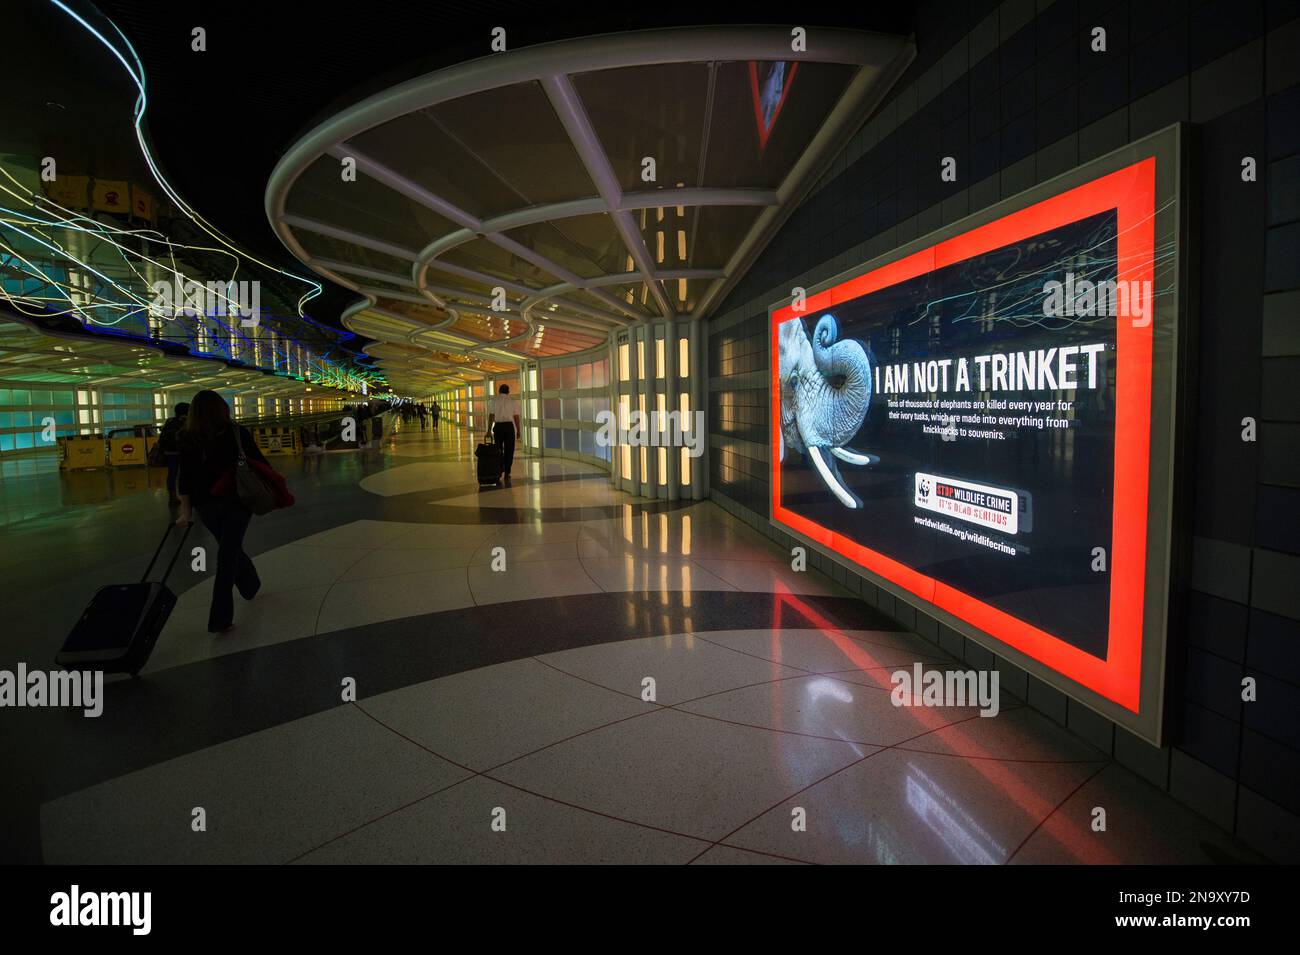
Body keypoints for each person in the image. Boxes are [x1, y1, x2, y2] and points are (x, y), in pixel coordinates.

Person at [174, 390, 265, 634]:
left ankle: (250, 585)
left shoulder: (187, 437)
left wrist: (186, 512)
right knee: (228, 553)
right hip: (237, 501)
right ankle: (220, 618)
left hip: (207, 506)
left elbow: (185, 479)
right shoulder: (237, 433)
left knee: (229, 549)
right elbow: (260, 463)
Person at [486, 384, 520, 485]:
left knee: (498, 449)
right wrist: (518, 430)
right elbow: (516, 417)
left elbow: (491, 415)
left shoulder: (494, 400)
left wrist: (488, 430)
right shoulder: (512, 401)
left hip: (499, 427)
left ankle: (499, 470)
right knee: (509, 450)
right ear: (508, 391)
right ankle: (507, 472)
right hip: (509, 427)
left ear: (499, 391)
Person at [158, 401, 190, 504]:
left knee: (172, 474)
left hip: (169, 452)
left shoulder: (170, 421)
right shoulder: (186, 422)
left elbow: (162, 437)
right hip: (182, 452)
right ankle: (186, 496)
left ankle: (172, 496)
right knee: (185, 474)